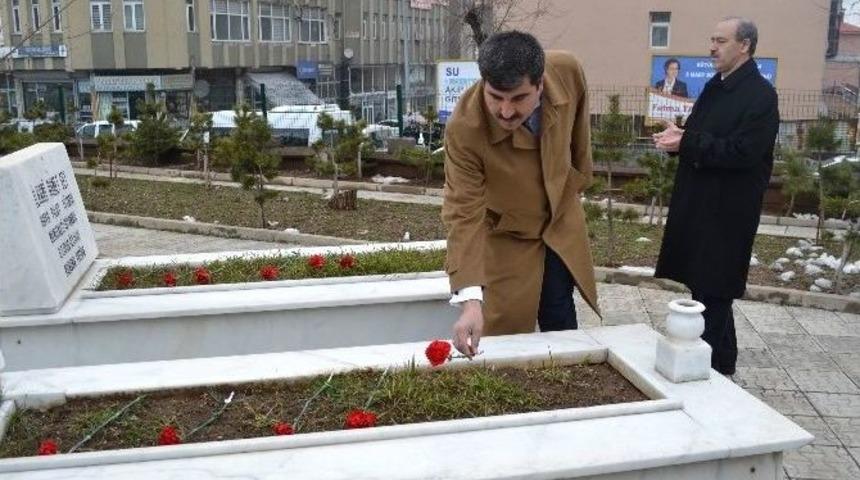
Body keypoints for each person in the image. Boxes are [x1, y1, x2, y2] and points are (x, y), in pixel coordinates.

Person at [441, 31, 599, 357]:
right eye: (496, 96)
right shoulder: (465, 129)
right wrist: (470, 301)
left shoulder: (567, 70)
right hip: (507, 235)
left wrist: (577, 178)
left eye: (518, 98)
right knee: (503, 335)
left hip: (560, 223)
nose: (506, 111)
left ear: (540, 84)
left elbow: (579, 132)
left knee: (560, 315)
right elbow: (462, 212)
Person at [652, 17, 779, 375]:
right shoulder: (715, 86)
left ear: (745, 45)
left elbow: (744, 152)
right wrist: (677, 140)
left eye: (721, 41)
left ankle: (707, 370)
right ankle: (724, 360)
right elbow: (698, 136)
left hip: (729, 211)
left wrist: (687, 141)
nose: (712, 47)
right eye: (712, 40)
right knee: (705, 285)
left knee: (716, 287)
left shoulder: (761, 95)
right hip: (701, 204)